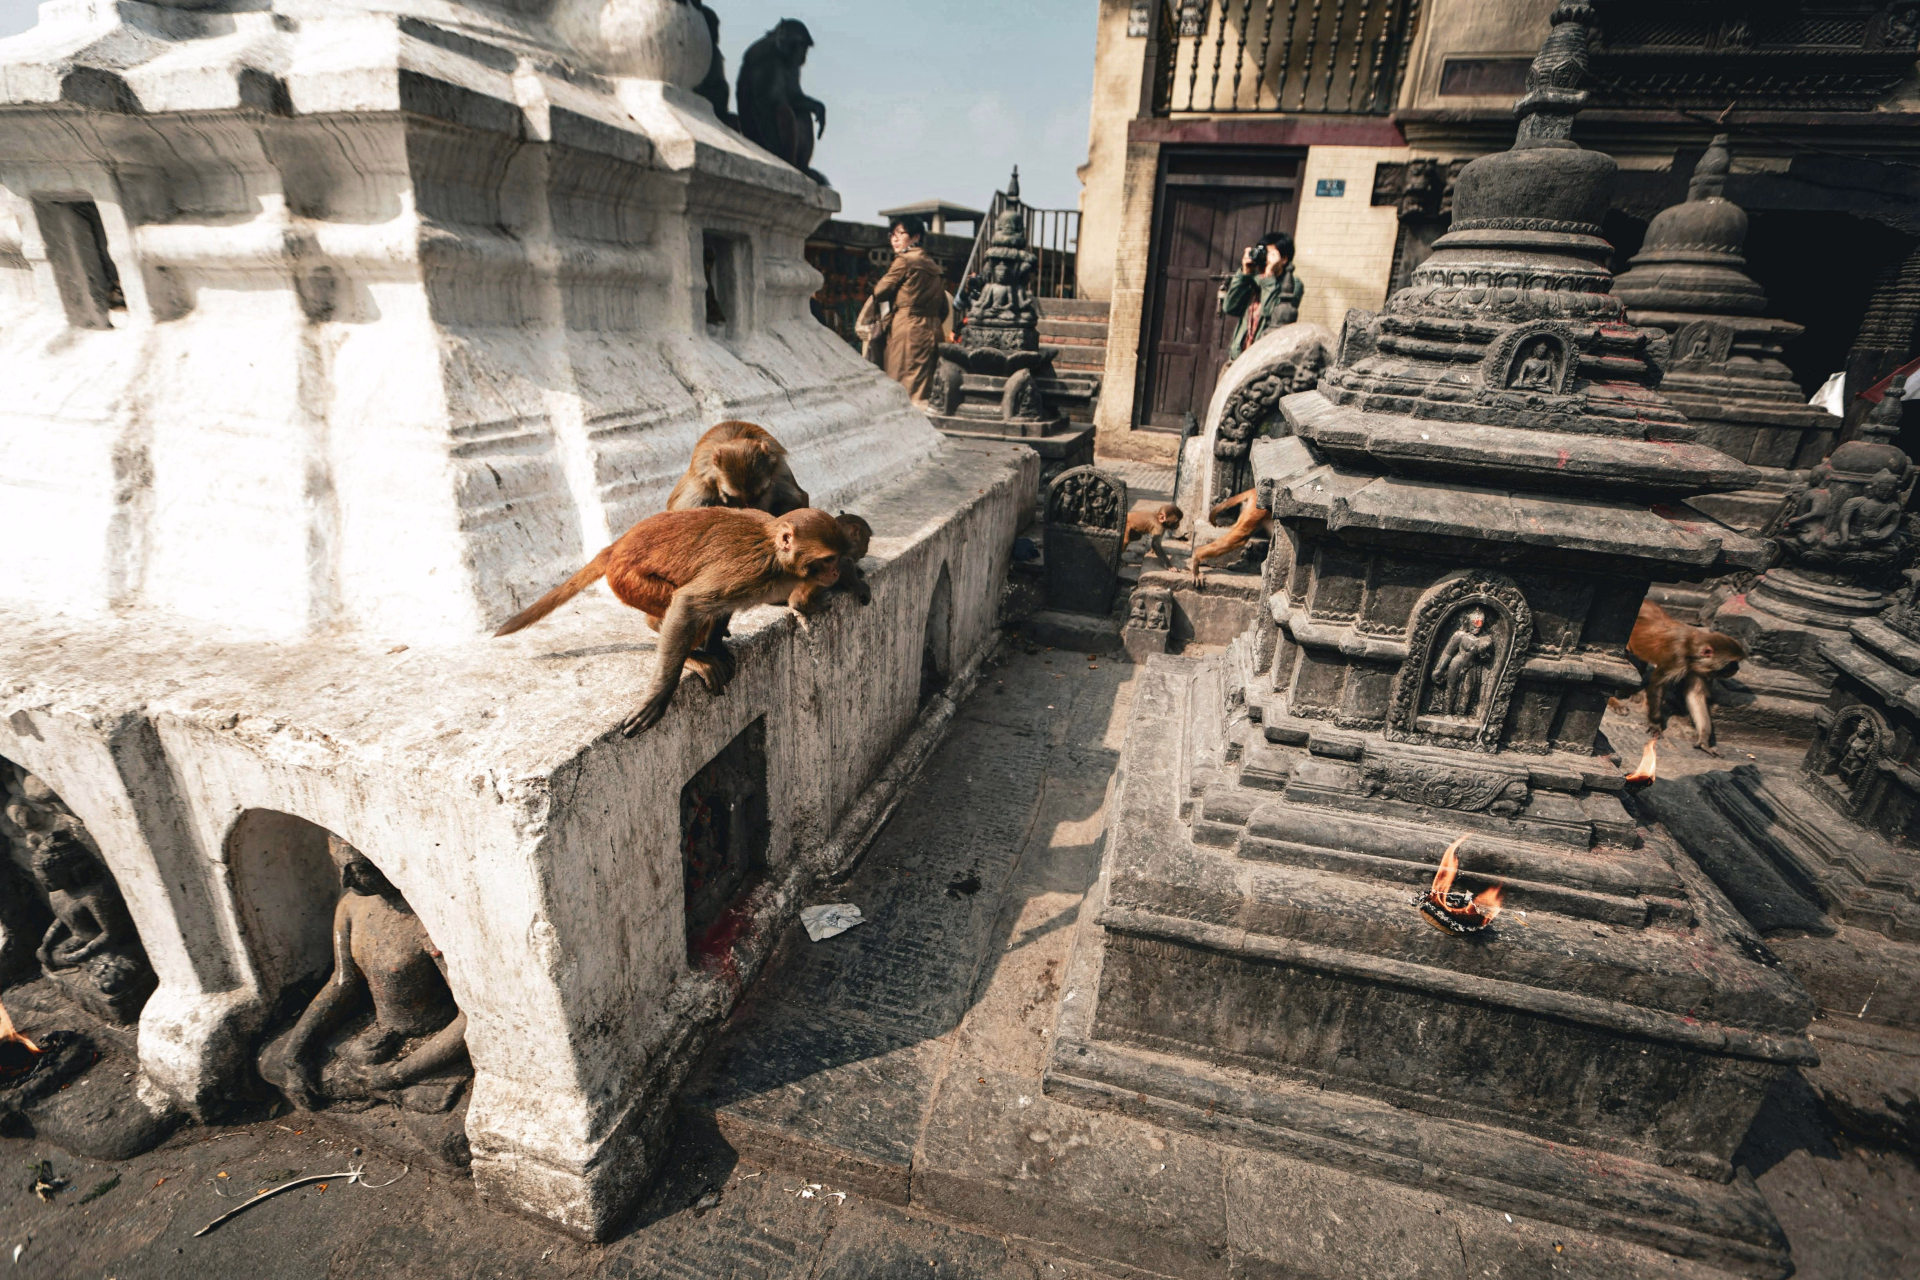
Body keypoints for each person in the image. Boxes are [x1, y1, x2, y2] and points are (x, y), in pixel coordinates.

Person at [869, 215, 948, 406]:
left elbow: (879, 291)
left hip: (907, 330)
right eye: (892, 234)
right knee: (924, 393)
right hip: (933, 331)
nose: (894, 239)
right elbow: (944, 308)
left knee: (902, 392)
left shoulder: (905, 260)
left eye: (900, 233)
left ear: (915, 237)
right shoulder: (934, 266)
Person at [1220, 231, 1304, 363]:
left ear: (1284, 259)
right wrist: (1244, 274)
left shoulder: (1292, 284)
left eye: (1271, 253)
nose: (1265, 258)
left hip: (1262, 361)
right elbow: (1229, 307)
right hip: (1236, 360)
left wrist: (1269, 276)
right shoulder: (1253, 279)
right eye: (1264, 252)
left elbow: (1270, 314)